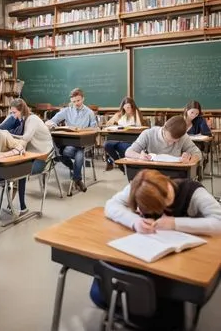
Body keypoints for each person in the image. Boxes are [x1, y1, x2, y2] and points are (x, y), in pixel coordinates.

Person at [90, 169, 221, 324]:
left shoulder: (193, 192)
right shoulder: (140, 186)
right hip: (148, 259)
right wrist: (134, 221)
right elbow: (111, 205)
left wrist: (175, 224)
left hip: (182, 265)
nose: (142, 212)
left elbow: (218, 221)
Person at [0, 98, 54, 214]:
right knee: (15, 169)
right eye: (11, 113)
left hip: (43, 157)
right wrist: (9, 119)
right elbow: (1, 128)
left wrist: (8, 135)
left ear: (21, 110)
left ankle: (22, 206)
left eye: (14, 112)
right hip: (31, 155)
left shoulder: (32, 119)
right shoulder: (21, 119)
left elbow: (25, 138)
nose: (12, 115)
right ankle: (12, 204)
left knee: (21, 172)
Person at [45, 88, 97, 192]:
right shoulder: (67, 110)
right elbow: (52, 121)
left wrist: (82, 130)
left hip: (82, 142)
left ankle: (76, 177)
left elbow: (95, 128)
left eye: (78, 100)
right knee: (73, 153)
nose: (76, 103)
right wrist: (53, 125)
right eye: (73, 101)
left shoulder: (89, 112)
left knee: (75, 152)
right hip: (69, 142)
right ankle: (77, 177)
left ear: (83, 99)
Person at [125, 115, 202, 163]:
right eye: (168, 139)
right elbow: (128, 152)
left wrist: (189, 159)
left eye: (175, 141)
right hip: (152, 172)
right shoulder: (148, 134)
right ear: (164, 128)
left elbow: (198, 154)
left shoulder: (183, 137)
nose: (170, 144)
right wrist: (139, 156)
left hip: (175, 173)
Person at [104, 96, 144, 171]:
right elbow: (108, 124)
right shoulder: (121, 115)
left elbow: (140, 126)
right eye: (125, 108)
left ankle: (117, 163)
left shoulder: (136, 114)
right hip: (118, 138)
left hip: (130, 140)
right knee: (106, 144)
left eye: (128, 107)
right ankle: (118, 163)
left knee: (122, 147)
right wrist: (112, 121)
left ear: (132, 106)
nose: (127, 110)